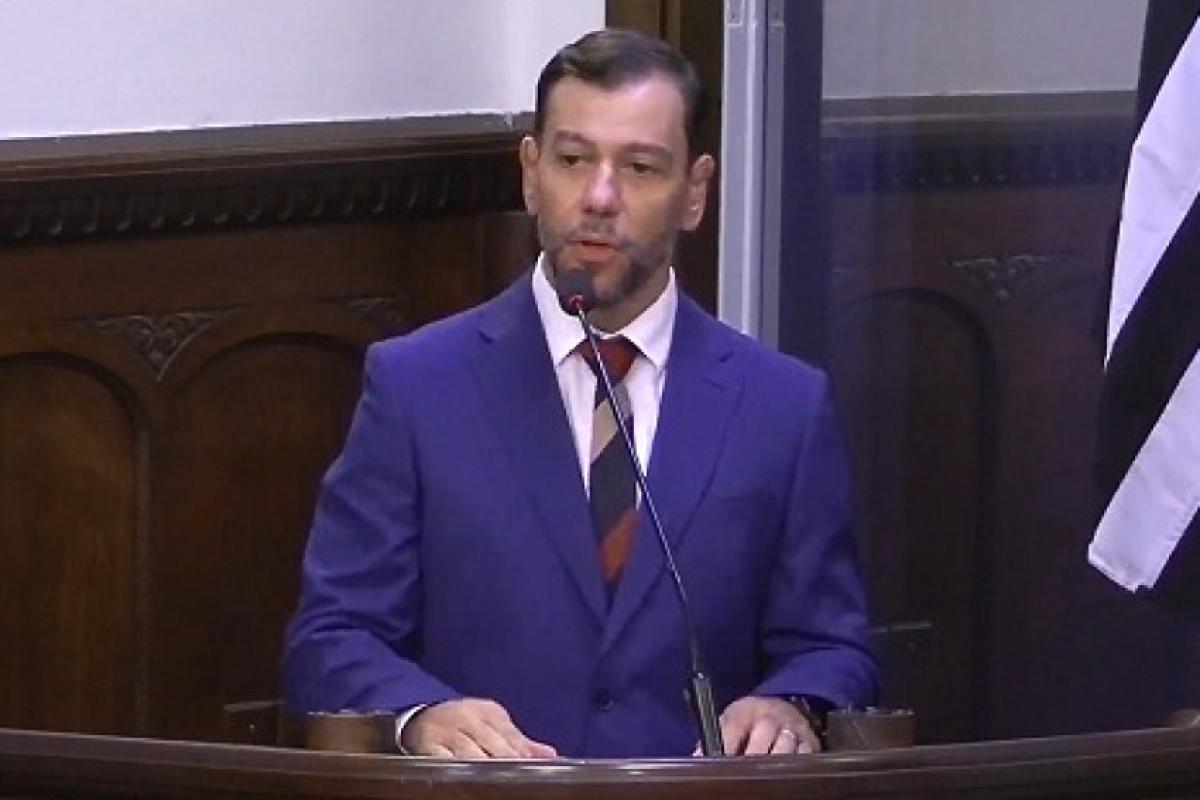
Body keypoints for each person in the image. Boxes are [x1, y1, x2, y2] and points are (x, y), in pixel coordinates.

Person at [283, 28, 878, 759]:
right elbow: (332, 637)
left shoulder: (782, 407)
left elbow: (833, 650)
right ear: (531, 173)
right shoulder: (417, 386)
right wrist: (420, 714)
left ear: (695, 193)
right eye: (573, 160)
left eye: (639, 167)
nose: (599, 197)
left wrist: (790, 705)